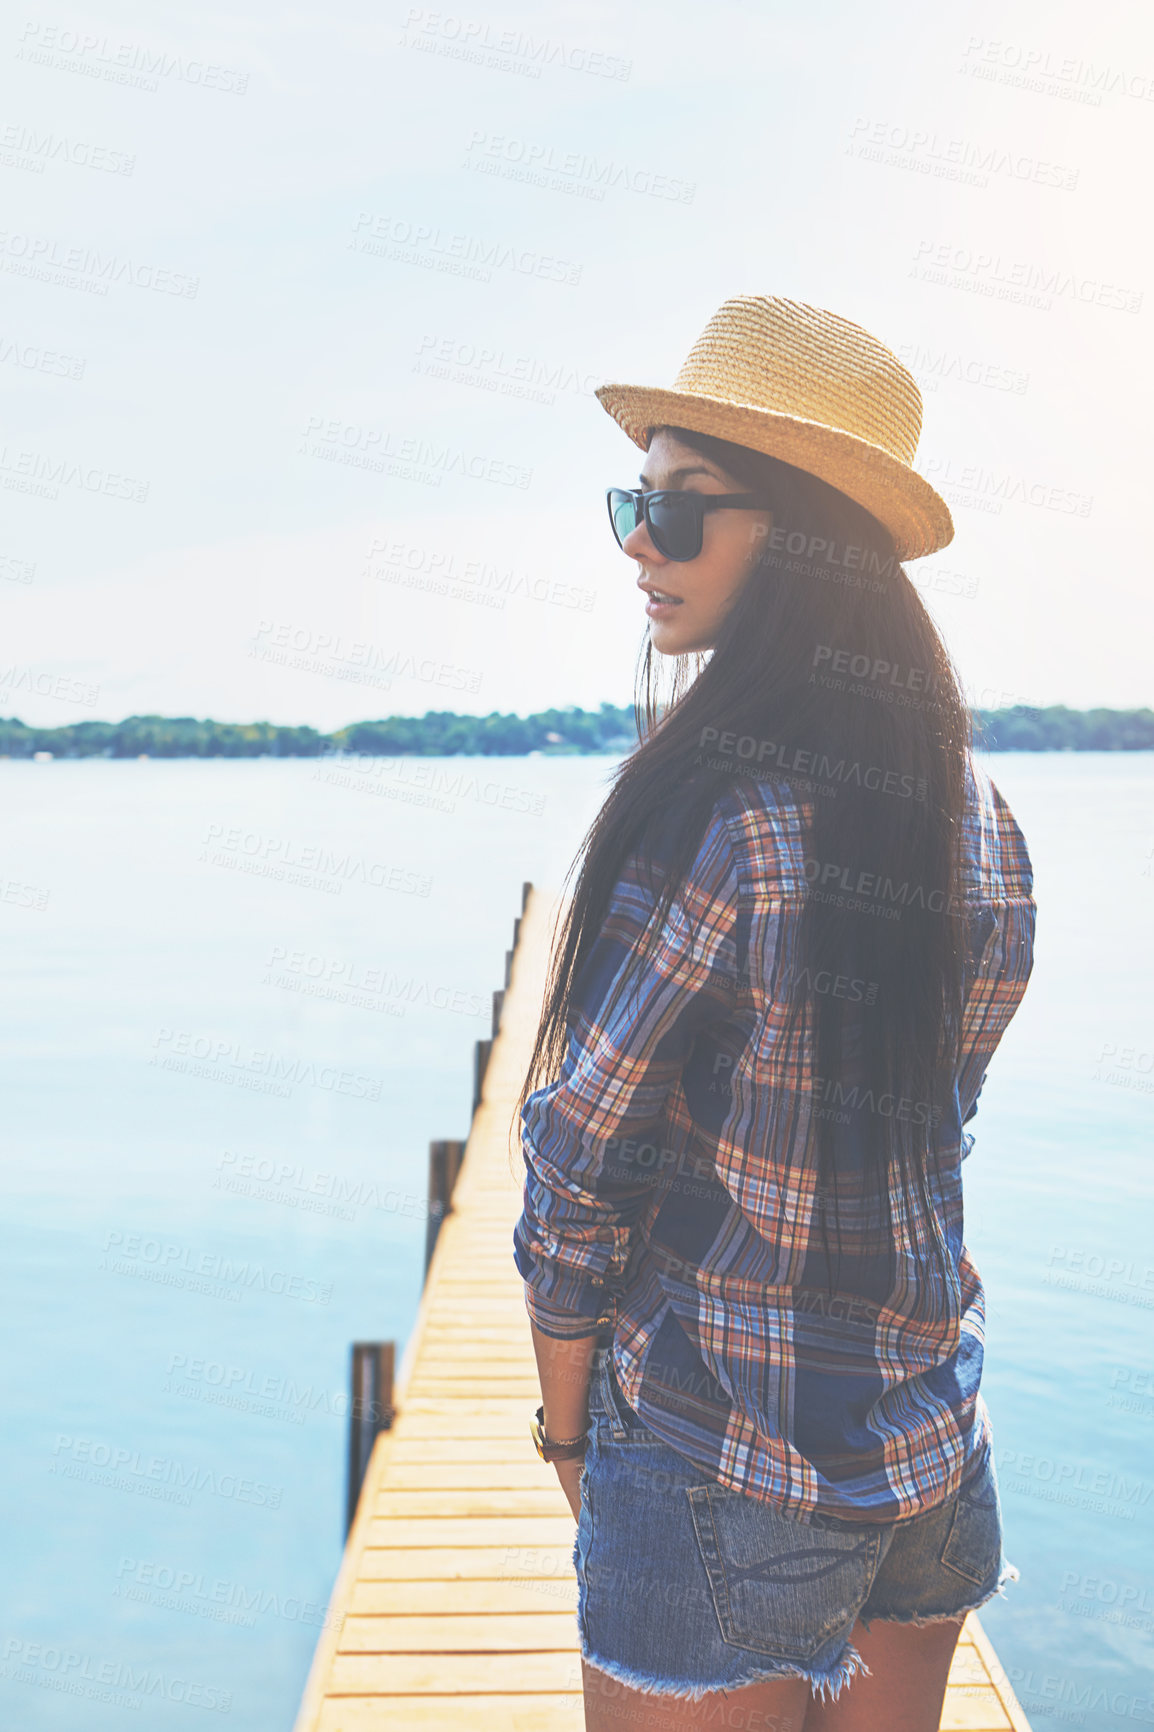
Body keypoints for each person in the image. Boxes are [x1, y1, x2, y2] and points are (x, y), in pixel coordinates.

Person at [510, 295, 1036, 1731]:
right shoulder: (981, 821)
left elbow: (573, 1174)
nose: (635, 543)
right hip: (925, 1443)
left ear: (798, 541)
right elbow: (934, 1129)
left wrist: (567, 1431)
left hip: (710, 1455)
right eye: (634, 502)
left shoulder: (717, 822)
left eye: (677, 511)